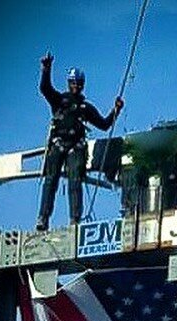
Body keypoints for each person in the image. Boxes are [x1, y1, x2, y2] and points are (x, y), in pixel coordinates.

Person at [35, 52, 124, 231]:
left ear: (82, 85)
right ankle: (43, 218)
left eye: (79, 83)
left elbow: (104, 125)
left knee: (75, 181)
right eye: (73, 83)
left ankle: (75, 220)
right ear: (69, 83)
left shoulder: (85, 108)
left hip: (76, 147)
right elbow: (45, 88)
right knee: (50, 181)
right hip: (58, 144)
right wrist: (46, 69)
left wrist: (116, 110)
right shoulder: (59, 100)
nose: (76, 86)